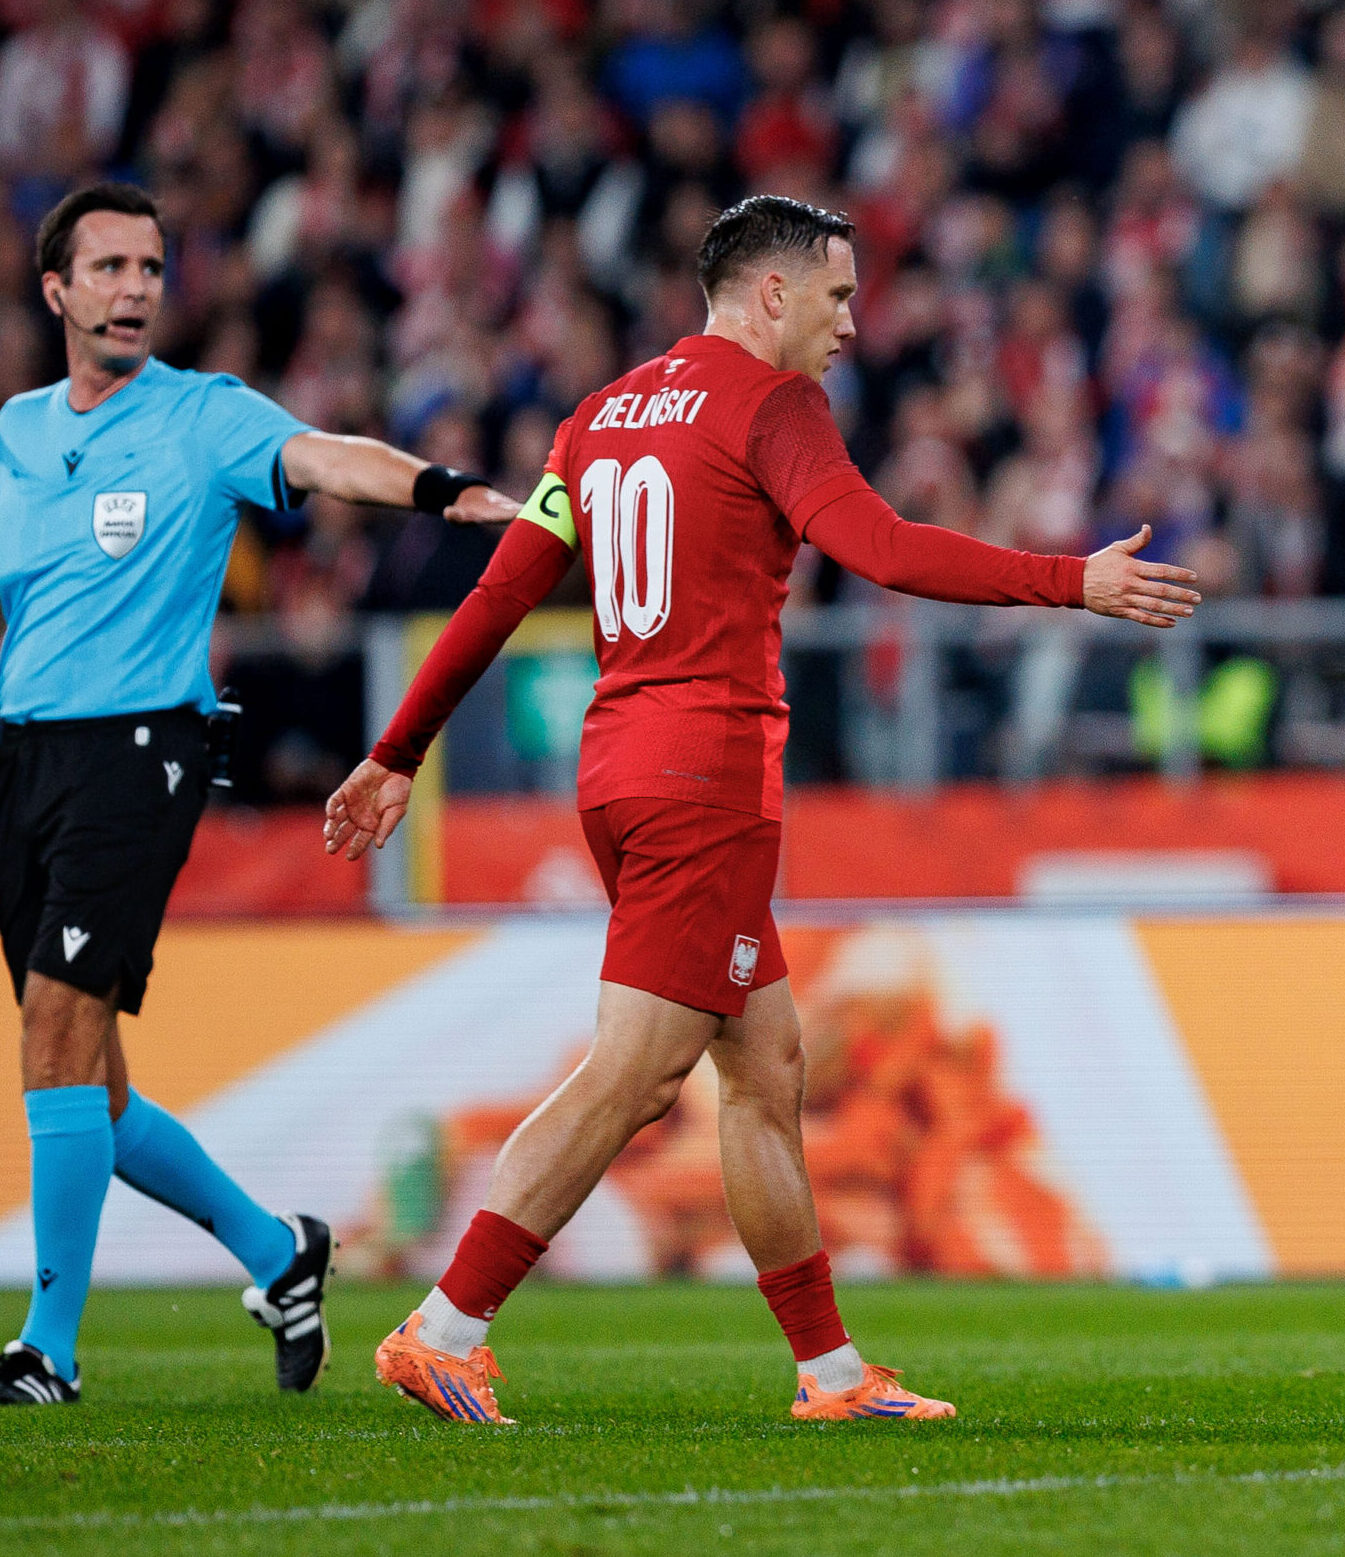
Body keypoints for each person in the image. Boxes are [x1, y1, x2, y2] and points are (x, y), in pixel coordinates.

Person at [324, 195, 1199, 1426]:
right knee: (634, 1077)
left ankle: (832, 1377)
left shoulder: (600, 418)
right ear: (771, 293)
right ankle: (446, 1325)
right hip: (704, 779)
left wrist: (396, 751)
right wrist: (1072, 580)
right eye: (838, 296)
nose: (852, 323)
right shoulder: (770, 405)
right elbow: (881, 549)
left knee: (767, 1068)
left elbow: (500, 594)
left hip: (618, 772)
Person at [0, 182, 523, 1406]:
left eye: (151, 267)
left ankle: (50, 1348)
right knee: (89, 1080)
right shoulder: (16, 433)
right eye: (111, 268)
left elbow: (324, 457)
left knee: (56, 1035)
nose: (136, 288)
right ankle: (278, 1251)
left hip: (138, 747)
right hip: (20, 756)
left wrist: (441, 489)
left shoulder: (203, 417)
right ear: (57, 292)